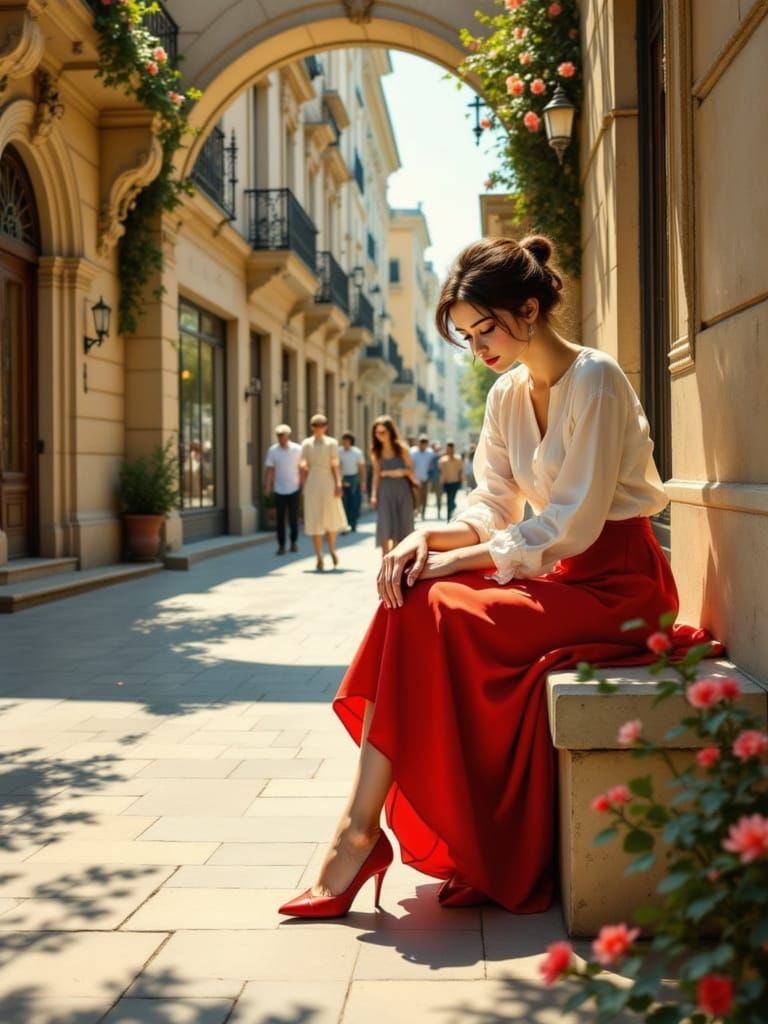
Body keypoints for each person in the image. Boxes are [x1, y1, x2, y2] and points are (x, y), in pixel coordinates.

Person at [278, 233, 683, 920]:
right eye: (465, 336)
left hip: (621, 587)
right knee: (410, 597)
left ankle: (365, 835)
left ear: (529, 309)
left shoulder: (597, 378)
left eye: (484, 328)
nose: (478, 348)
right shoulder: (505, 395)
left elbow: (572, 524)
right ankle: (357, 828)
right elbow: (491, 505)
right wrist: (423, 537)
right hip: (557, 577)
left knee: (445, 606)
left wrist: (459, 559)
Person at [300, 414, 348, 570]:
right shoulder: (306, 443)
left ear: (326, 426)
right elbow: (303, 462)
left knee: (331, 517)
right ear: (312, 426)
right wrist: (303, 476)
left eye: (321, 424)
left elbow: (336, 465)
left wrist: (339, 483)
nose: (318, 427)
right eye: (315, 424)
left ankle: (332, 549)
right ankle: (319, 555)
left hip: (328, 481)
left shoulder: (332, 443)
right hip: (313, 481)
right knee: (314, 518)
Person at [369, 416, 418, 557]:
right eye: (377, 433)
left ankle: (398, 560)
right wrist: (373, 495)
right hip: (385, 490)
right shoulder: (376, 451)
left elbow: (411, 470)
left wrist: (396, 472)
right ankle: (385, 560)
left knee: (403, 526)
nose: (380, 436)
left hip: (402, 490)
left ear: (390, 431)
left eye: (383, 432)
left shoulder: (401, 449)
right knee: (385, 524)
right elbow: (376, 475)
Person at [263, 424, 302, 555]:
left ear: (288, 436)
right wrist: (267, 486)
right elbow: (269, 469)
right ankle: (281, 545)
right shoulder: (273, 451)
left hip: (294, 488)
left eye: (282, 436)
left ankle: (294, 542)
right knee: (279, 519)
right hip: (279, 488)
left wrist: (303, 483)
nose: (281, 439)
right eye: (278, 436)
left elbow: (302, 467)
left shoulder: (297, 449)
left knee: (293, 517)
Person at [339, 432, 367, 532]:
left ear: (351, 442)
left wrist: (363, 482)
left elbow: (362, 468)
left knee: (354, 503)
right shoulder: (339, 452)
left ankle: (353, 524)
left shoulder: (357, 452)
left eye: (347, 441)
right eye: (343, 441)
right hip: (343, 479)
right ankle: (345, 525)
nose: (345, 443)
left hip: (354, 479)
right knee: (344, 503)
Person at [438, 440, 464, 520]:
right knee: (449, 500)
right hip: (447, 483)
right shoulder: (443, 460)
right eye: (449, 448)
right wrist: (441, 482)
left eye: (451, 448)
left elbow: (461, 470)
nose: (450, 450)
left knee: (452, 499)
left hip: (455, 482)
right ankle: (448, 517)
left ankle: (451, 512)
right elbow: (441, 471)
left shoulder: (458, 459)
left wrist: (461, 480)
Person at [409, 435, 433, 519]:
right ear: (419, 444)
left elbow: (433, 465)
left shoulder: (430, 453)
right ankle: (416, 510)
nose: (423, 446)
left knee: (424, 497)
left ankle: (423, 513)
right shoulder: (413, 453)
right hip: (415, 479)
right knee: (416, 497)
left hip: (425, 479)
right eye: (422, 444)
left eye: (425, 444)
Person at [429, 441, 443, 519]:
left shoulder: (442, 457)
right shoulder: (432, 458)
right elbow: (430, 469)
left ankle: (439, 511)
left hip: (440, 480)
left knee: (439, 497)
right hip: (433, 479)